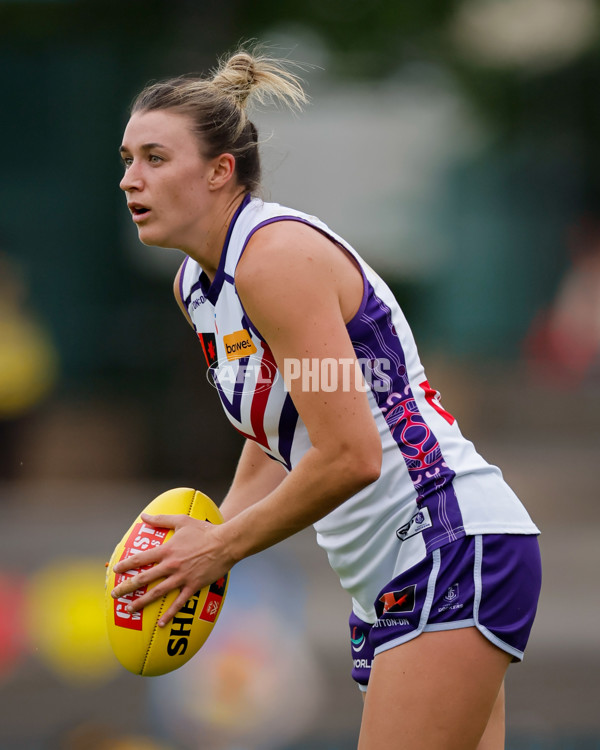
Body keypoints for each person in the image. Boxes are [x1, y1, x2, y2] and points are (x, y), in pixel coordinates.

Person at [112, 47, 541, 750]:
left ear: (221, 172)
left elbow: (350, 457)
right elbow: (274, 436)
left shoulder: (274, 259)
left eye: (155, 158)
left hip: (444, 544)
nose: (131, 179)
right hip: (396, 569)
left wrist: (216, 550)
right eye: (127, 159)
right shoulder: (196, 286)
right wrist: (196, 556)